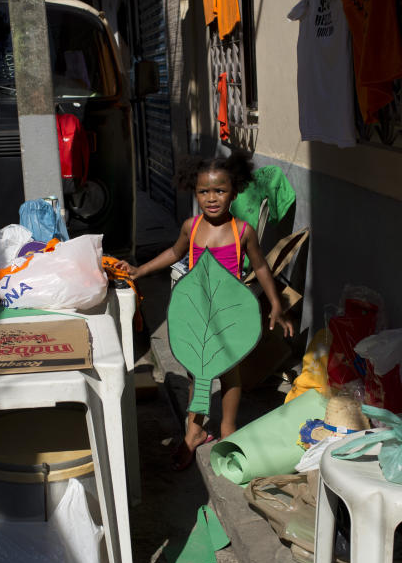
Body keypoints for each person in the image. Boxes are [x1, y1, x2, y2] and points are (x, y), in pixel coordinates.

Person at [116, 151, 294, 470]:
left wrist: (277, 305)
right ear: (194, 191)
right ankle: (194, 432)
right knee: (196, 374)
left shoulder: (243, 231)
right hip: (197, 312)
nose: (212, 198)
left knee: (229, 373)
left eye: (220, 190)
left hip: (229, 315)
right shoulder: (191, 226)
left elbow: (262, 268)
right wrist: (140, 270)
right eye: (204, 191)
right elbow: (174, 252)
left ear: (234, 192)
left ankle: (227, 429)